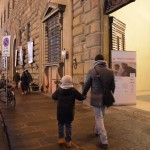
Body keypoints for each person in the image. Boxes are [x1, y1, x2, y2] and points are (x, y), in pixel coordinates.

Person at [82, 54, 115, 149]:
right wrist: (111, 94)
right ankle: (97, 130)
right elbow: (113, 86)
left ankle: (104, 141)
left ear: (95, 61)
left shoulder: (92, 71)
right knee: (102, 116)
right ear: (104, 61)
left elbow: (87, 85)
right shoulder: (110, 71)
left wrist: (83, 94)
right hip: (106, 97)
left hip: (96, 97)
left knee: (99, 117)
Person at [52, 75, 85, 147]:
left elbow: (53, 97)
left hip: (60, 111)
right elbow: (81, 98)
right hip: (69, 112)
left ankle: (61, 139)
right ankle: (68, 141)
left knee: (60, 125)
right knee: (68, 126)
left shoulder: (59, 89)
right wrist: (83, 93)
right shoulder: (73, 90)